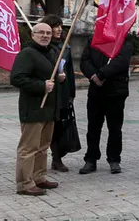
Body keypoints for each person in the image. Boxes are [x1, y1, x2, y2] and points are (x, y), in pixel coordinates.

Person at [10, 23, 62, 196]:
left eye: (48, 33)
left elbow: (50, 76)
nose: (45, 35)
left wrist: (59, 78)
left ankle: (39, 177)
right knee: (28, 148)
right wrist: (41, 86)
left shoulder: (51, 52)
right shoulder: (27, 54)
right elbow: (17, 78)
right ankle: (24, 183)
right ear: (33, 35)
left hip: (48, 109)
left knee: (43, 146)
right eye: (41, 32)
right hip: (33, 109)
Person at [79, 34, 133, 175]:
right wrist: (93, 75)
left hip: (116, 92)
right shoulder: (93, 39)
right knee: (93, 127)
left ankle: (114, 159)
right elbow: (85, 61)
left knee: (115, 128)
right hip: (96, 91)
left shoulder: (123, 38)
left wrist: (101, 75)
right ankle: (91, 159)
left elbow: (121, 61)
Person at [40, 15, 76, 173]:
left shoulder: (65, 47)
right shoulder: (43, 48)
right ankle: (55, 158)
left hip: (63, 90)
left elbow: (70, 71)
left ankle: (58, 156)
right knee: (51, 126)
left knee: (62, 125)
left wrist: (71, 92)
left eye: (60, 26)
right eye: (56, 26)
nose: (60, 29)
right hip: (50, 91)